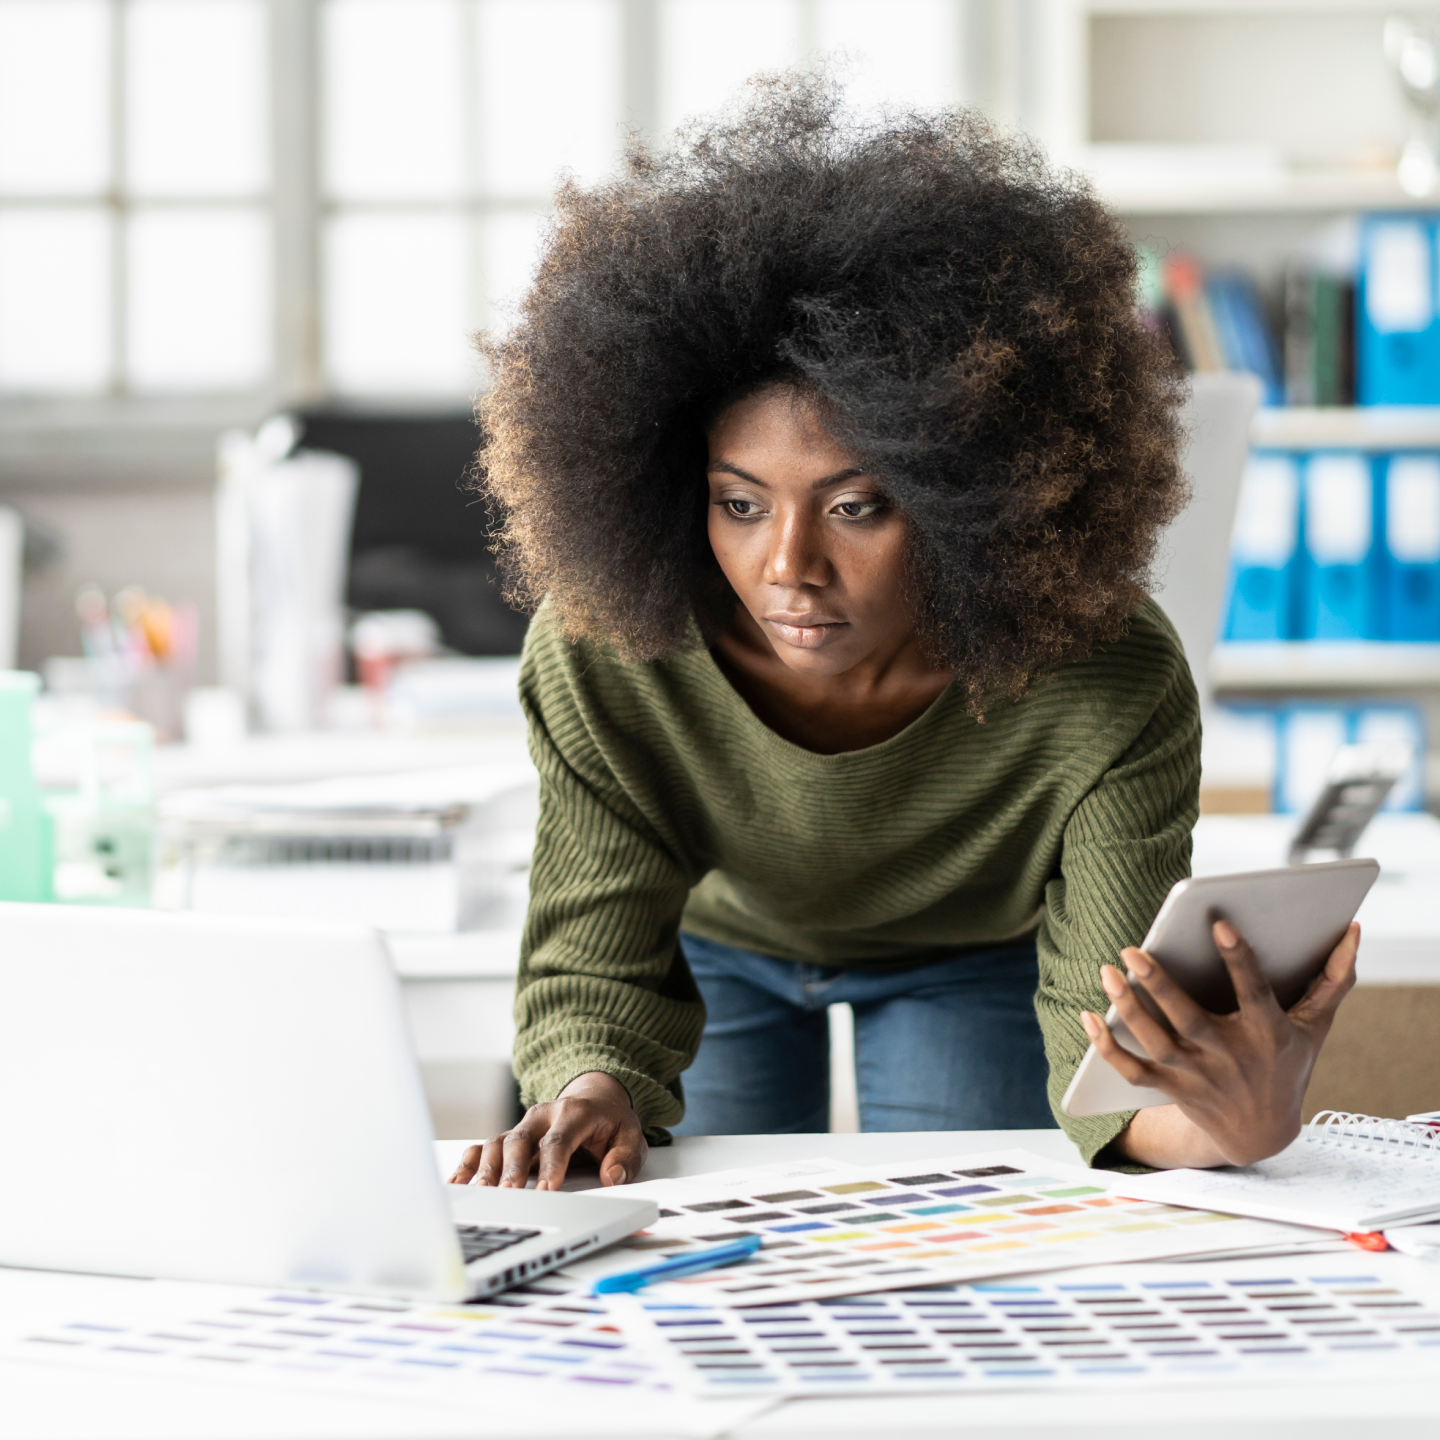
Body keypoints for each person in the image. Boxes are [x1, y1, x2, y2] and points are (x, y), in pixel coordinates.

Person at [450, 78, 1359, 1192]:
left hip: (966, 955)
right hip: (724, 943)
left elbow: (1112, 1083)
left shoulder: (1104, 678)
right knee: (708, 1254)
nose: (786, 567)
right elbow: (594, 958)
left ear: (972, 494)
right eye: (740, 503)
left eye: (857, 506)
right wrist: (589, 1089)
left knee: (973, 1244)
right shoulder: (611, 640)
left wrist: (1238, 1123)